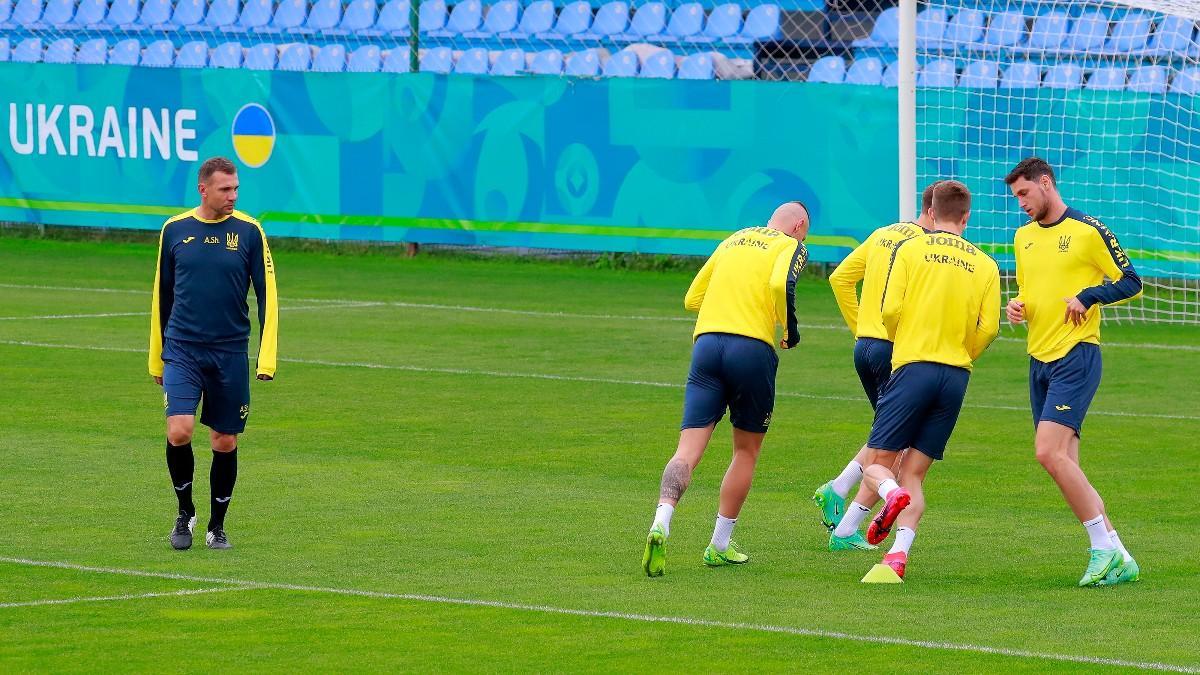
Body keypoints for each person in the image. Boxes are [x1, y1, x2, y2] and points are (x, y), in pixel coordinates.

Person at [641, 202, 810, 577]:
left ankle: (662, 521)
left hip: (706, 344)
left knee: (686, 449)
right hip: (750, 348)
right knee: (746, 450)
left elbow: (691, 299)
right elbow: (780, 283)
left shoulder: (734, 239)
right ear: (799, 226)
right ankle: (719, 544)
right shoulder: (790, 245)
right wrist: (789, 327)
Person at [1004, 157, 1143, 586]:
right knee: (1066, 466)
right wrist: (1018, 307)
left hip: (1076, 356)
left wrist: (1089, 295)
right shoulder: (1022, 237)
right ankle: (1120, 554)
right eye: (1016, 198)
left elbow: (1130, 280)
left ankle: (1101, 548)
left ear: (1046, 183)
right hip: (1038, 358)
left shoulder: (1088, 230)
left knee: (1047, 452)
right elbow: (1030, 291)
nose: (1021, 204)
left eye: (1025, 193)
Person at [855, 180, 1000, 579]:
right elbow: (989, 329)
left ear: (931, 212)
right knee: (915, 471)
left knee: (877, 463)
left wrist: (909, 338)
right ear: (966, 216)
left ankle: (890, 495)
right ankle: (895, 559)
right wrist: (963, 351)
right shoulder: (986, 264)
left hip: (913, 367)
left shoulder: (910, 248)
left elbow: (890, 310)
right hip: (955, 376)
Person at [149, 156, 278, 551]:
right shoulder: (174, 230)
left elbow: (268, 295)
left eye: (236, 188)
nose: (233, 196)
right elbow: (162, 295)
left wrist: (266, 356)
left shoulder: (250, 231)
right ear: (203, 189)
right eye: (225, 189)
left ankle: (216, 526)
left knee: (224, 441)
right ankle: (184, 512)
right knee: (180, 430)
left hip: (229, 353)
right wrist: (157, 357)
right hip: (183, 350)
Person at [814, 181, 940, 551]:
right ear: (936, 213)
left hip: (865, 348)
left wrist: (861, 328)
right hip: (895, 351)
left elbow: (840, 279)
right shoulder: (923, 248)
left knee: (890, 438)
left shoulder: (883, 232)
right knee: (898, 446)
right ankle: (843, 518)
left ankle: (839, 497)